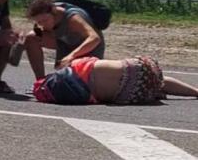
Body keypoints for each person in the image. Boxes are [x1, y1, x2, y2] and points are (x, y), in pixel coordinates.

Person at [33, 55, 198, 104]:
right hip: (139, 67)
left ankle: (155, 92)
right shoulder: (77, 64)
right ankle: (195, 91)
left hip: (133, 93)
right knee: (160, 80)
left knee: (155, 86)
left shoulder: (78, 97)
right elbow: (94, 59)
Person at [23, 0, 105, 79]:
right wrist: (25, 42)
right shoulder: (45, 17)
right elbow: (37, 29)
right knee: (31, 38)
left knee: (77, 81)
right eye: (39, 22)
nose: (43, 24)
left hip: (88, 48)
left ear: (54, 11)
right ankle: (40, 81)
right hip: (66, 44)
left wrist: (71, 56)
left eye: (45, 20)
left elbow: (95, 38)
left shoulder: (72, 17)